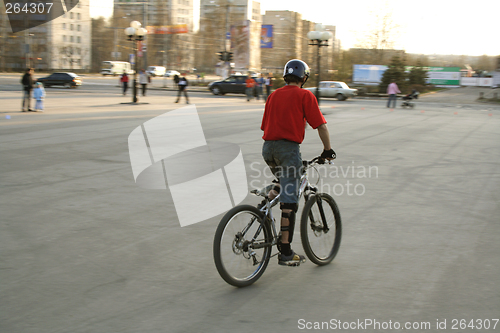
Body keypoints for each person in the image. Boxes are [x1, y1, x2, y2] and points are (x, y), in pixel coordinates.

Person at [261, 59, 336, 266]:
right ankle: (285, 252)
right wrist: (327, 151)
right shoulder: (305, 95)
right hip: (288, 150)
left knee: (284, 180)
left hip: (267, 148)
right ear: (304, 77)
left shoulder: (273, 95)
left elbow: (265, 127)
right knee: (289, 203)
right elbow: (320, 126)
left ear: (286, 76)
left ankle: (263, 210)